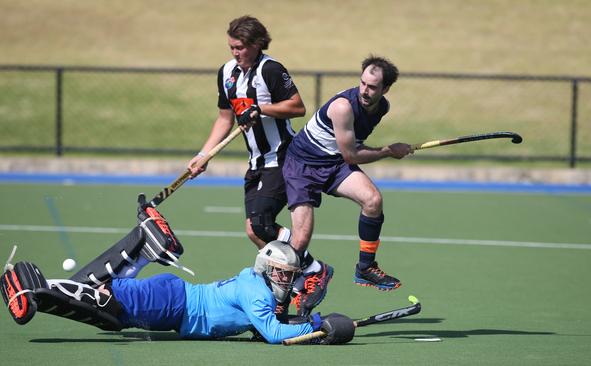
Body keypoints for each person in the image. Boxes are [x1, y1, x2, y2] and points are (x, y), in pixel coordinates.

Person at [1, 201, 355, 345]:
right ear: (268, 268)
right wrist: (316, 326)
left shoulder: (255, 285)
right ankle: (37, 288)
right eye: (282, 274)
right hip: (172, 303)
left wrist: (309, 325)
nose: (287, 280)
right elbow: (274, 334)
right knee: (108, 304)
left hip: (172, 303)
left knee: (111, 313)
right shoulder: (256, 292)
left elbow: (266, 330)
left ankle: (144, 244)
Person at [283, 56, 413, 315]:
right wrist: (389, 150)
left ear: (385, 89)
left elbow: (352, 148)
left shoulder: (380, 107)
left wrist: (389, 150)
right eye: (363, 83)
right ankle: (280, 303)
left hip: (333, 163)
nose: (366, 90)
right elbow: (352, 155)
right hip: (303, 166)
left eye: (373, 87)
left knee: (373, 201)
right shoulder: (343, 107)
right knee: (300, 239)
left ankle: (365, 267)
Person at [187, 15, 305, 250]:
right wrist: (204, 155)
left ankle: (312, 267)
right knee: (254, 230)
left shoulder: (270, 70)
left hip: (281, 158)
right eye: (231, 47)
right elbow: (224, 118)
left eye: (240, 48)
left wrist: (260, 109)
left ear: (256, 44)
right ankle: (293, 278)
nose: (235, 53)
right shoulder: (226, 73)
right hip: (256, 164)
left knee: (261, 223)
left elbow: (298, 107)